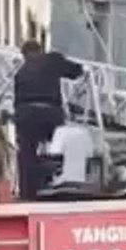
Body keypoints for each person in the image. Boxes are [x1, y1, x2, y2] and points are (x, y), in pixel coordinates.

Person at [12, 40, 84, 200]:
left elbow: (16, 102)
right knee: (61, 144)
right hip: (50, 112)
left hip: (26, 115)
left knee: (26, 152)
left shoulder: (20, 73)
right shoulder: (52, 60)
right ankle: (62, 176)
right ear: (41, 50)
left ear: (24, 55)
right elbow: (76, 71)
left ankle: (27, 191)